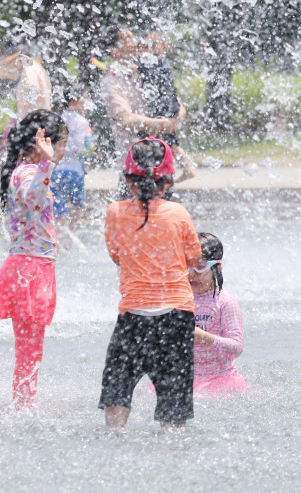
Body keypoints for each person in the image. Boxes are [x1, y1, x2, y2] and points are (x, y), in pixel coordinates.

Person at [100, 138, 204, 429]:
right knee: (174, 400)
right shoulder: (179, 213)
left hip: (133, 315)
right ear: (168, 182)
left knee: (117, 390)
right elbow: (195, 259)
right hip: (176, 315)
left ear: (128, 181)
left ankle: (114, 441)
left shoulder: (115, 212)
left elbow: (117, 256)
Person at [0, 109, 67, 409]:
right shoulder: (27, 171)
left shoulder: (27, 170)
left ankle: (24, 402)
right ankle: (23, 407)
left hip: (31, 266)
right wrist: (46, 163)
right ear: (43, 142)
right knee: (29, 349)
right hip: (29, 269)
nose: (64, 150)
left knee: (31, 349)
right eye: (62, 142)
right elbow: (33, 199)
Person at [101, 25, 195, 182]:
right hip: (134, 168)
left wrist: (174, 120)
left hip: (162, 163)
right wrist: (165, 124)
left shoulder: (149, 72)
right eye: (126, 39)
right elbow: (126, 119)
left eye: (133, 37)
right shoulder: (112, 82)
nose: (134, 42)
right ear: (113, 50)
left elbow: (177, 105)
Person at [190, 232, 247, 394]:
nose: (191, 273)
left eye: (200, 266)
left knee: (202, 398)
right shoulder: (178, 302)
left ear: (218, 266)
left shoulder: (224, 302)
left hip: (219, 378)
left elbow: (236, 348)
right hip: (186, 376)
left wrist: (203, 337)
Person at [51, 86, 94, 243]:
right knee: (79, 206)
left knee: (58, 209)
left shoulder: (58, 118)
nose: (88, 103)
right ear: (73, 101)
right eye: (85, 99)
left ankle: (57, 240)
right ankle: (69, 239)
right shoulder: (83, 122)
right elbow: (82, 148)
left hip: (56, 170)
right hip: (75, 170)